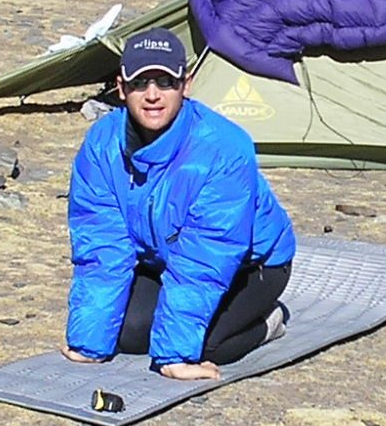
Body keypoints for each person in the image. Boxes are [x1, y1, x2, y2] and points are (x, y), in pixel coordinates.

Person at [61, 27, 296, 381]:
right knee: (125, 335)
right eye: (140, 83)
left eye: (165, 82)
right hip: (163, 257)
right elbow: (102, 244)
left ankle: (268, 321)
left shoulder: (224, 149)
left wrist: (174, 355)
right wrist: (89, 343)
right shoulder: (101, 144)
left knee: (206, 347)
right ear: (121, 88)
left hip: (251, 265)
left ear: (186, 85)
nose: (153, 95)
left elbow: (206, 256)